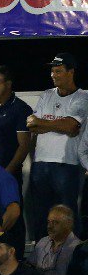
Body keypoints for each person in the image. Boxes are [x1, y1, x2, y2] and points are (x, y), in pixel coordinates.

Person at [27, 54, 88, 239]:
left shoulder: (83, 97)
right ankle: (41, 252)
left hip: (67, 164)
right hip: (40, 164)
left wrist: (43, 123)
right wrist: (58, 125)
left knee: (67, 215)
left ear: (71, 72)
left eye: (59, 71)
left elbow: (71, 127)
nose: (54, 75)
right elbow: (31, 124)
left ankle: (71, 253)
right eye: (53, 71)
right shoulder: (47, 94)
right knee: (40, 216)